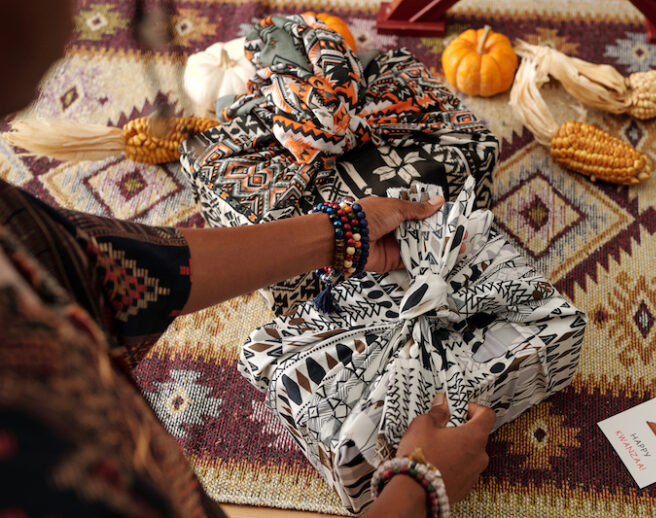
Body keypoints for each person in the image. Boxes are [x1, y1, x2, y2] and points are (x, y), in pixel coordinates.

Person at [0, 2, 496, 517]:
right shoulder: (33, 448)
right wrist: (417, 487)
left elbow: (102, 267)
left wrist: (340, 232)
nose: (76, 17)